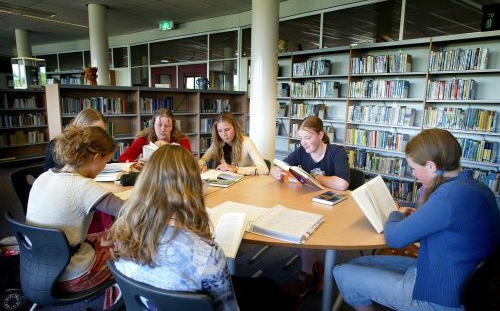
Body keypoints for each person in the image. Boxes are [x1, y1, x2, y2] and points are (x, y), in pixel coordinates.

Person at [109, 144, 294, 311]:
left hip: (147, 305)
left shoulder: (123, 230)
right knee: (271, 291)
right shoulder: (206, 253)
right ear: (193, 186)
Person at [333, 128, 500, 311]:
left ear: (431, 166)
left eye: (413, 168)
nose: (413, 174)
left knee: (342, 272)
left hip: (438, 295)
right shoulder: (477, 187)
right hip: (450, 274)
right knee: (356, 263)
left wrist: (394, 213)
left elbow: (395, 239)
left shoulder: (447, 197)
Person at [26, 125, 125, 301]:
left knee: (104, 236)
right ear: (96, 157)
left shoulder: (43, 177)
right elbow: (130, 211)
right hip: (72, 276)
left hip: (36, 268)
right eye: (106, 162)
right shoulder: (84, 187)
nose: (105, 167)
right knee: (128, 251)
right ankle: (116, 299)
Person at [270, 115, 350, 298]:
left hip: (335, 209)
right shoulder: (301, 152)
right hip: (311, 205)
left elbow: (343, 184)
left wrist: (314, 177)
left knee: (302, 227)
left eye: (308, 137)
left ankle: (306, 275)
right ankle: (312, 265)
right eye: (300, 138)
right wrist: (275, 171)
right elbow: (278, 166)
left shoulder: (337, 151)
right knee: (287, 224)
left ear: (321, 134)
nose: (303, 143)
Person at [43, 108, 112, 234]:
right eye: (94, 132)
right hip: (70, 205)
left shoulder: (44, 179)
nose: (99, 137)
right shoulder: (57, 147)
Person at [118, 108, 192, 170]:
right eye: (159, 125)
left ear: (172, 127)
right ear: (153, 125)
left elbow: (190, 161)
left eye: (167, 126)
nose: (163, 129)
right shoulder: (144, 139)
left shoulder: (181, 139)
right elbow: (123, 158)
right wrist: (135, 164)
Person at [198, 112, 268, 175]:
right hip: (227, 183)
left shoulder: (246, 142)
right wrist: (202, 165)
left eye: (227, 129)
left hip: (246, 183)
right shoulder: (217, 143)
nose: (224, 134)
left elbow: (264, 170)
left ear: (235, 127)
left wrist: (236, 169)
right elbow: (202, 160)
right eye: (220, 131)